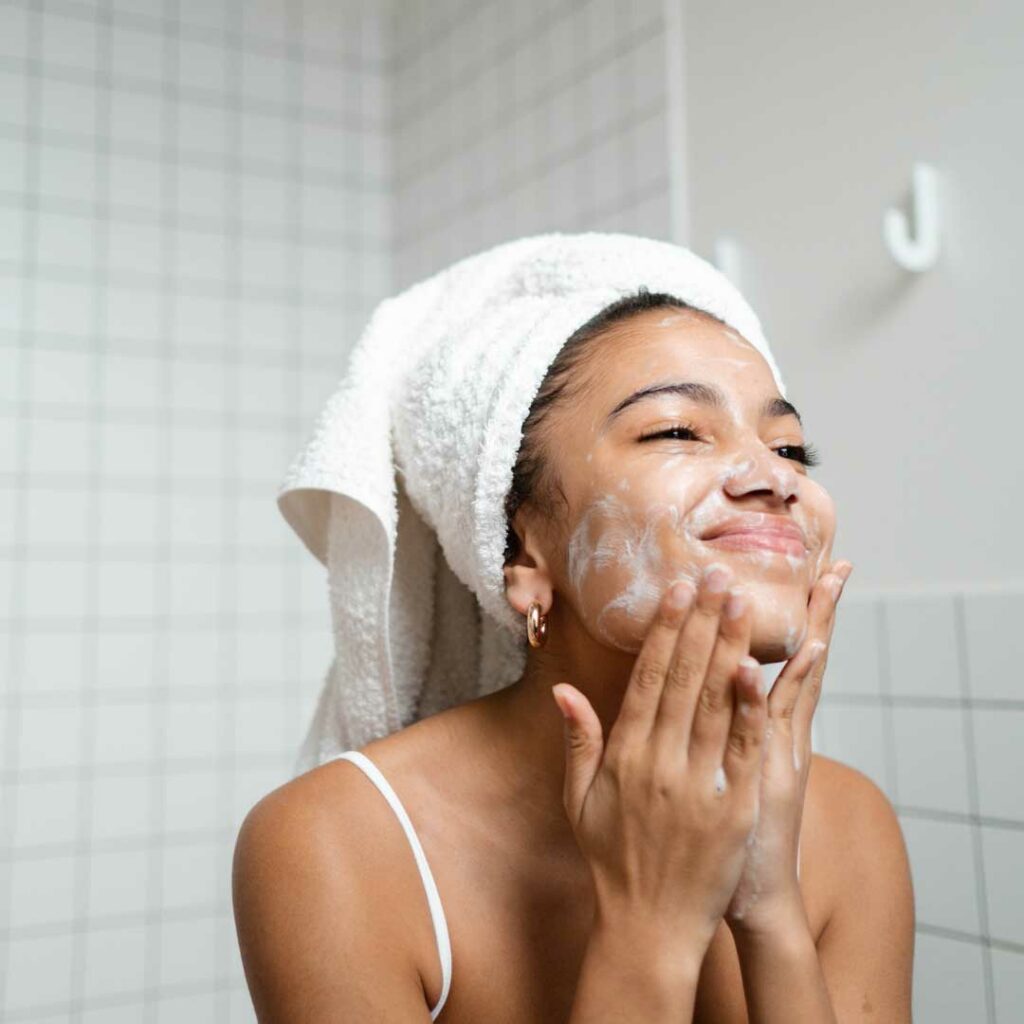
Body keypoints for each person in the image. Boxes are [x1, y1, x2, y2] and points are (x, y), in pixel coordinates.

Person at [233, 253, 914, 1021]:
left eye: (789, 448)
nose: (775, 476)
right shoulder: (335, 844)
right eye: (677, 430)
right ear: (523, 552)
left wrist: (770, 914)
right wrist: (648, 926)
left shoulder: (848, 825)